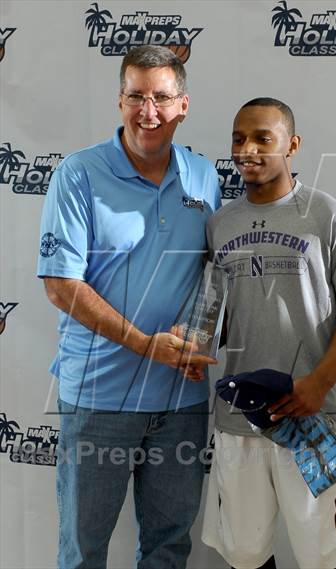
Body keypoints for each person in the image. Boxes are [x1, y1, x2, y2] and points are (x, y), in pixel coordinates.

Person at [37, 46, 221, 569]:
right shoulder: (78, 174)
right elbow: (59, 284)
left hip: (180, 400)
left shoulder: (204, 177)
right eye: (136, 96)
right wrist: (145, 345)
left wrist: (201, 333)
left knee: (169, 547)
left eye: (161, 98)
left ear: (183, 106)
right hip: (99, 398)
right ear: (119, 102)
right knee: (84, 549)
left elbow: (213, 276)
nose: (149, 111)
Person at [201, 98, 336, 569]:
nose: (247, 149)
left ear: (292, 145)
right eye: (238, 138)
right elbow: (209, 311)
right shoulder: (220, 223)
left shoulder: (331, 217)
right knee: (245, 557)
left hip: (314, 416)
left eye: (263, 138)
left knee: (330, 557)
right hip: (241, 419)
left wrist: (317, 385)